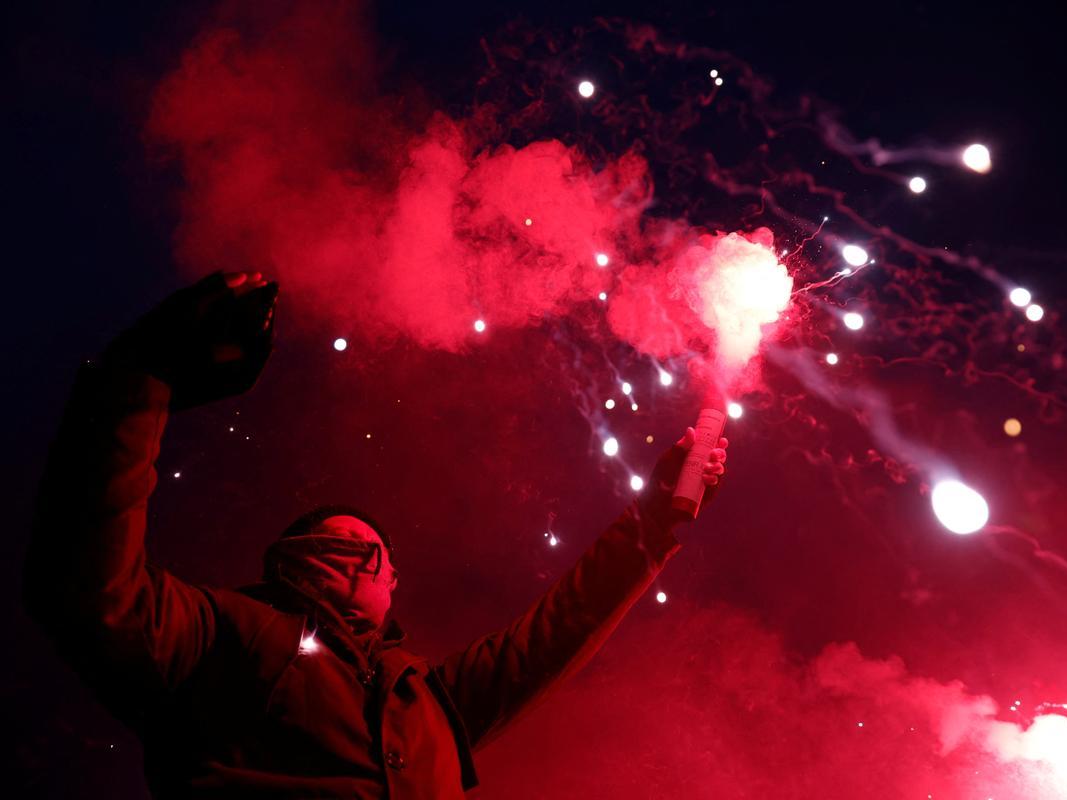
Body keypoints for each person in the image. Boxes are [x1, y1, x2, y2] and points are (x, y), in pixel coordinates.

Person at [24, 271, 729, 798]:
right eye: (349, 547)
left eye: (384, 559)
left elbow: (559, 627)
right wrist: (139, 381)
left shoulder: (426, 698)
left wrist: (655, 520)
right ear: (294, 563)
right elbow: (95, 588)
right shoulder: (221, 632)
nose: (375, 563)